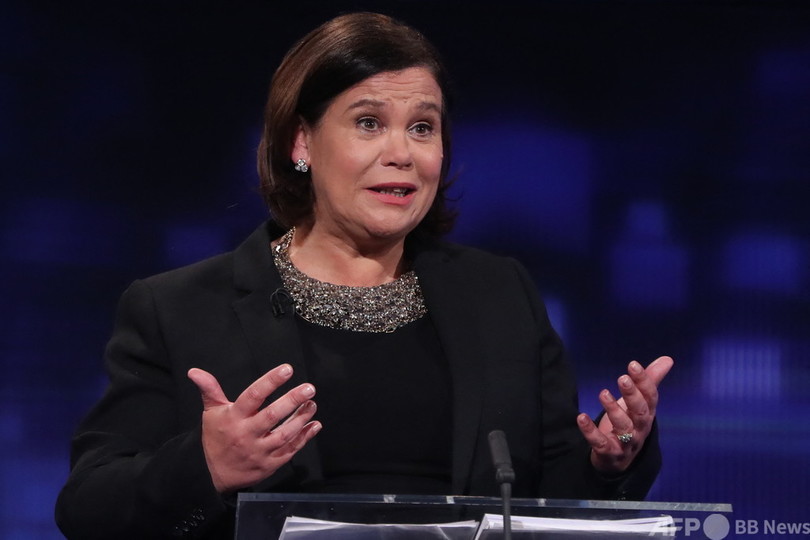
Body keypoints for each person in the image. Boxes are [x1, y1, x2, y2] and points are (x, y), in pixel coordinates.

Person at [55, 12, 674, 540]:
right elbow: (87, 508)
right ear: (301, 142)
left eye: (422, 127)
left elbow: (551, 496)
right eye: (369, 122)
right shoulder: (178, 307)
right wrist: (207, 467)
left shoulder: (500, 294)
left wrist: (611, 462)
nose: (401, 153)